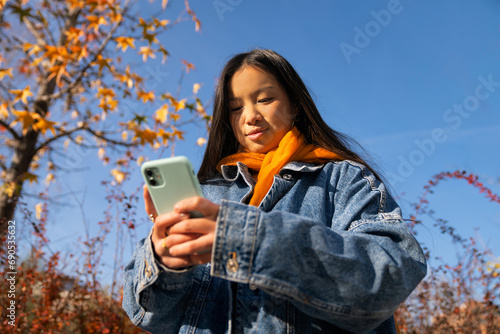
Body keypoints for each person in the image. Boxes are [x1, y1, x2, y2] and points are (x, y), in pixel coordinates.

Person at [122, 49, 427, 333]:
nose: (249, 115)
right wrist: (165, 265)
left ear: (295, 105)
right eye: (235, 107)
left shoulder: (343, 179)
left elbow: (388, 277)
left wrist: (247, 239)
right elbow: (147, 315)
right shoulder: (206, 194)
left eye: (265, 99)